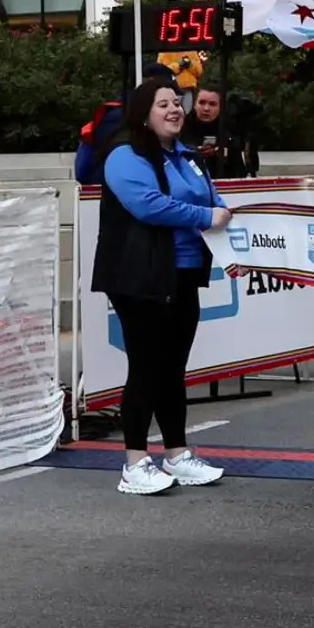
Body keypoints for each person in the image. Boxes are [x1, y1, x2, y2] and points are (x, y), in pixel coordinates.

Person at [90, 77, 234, 495]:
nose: (174, 110)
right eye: (163, 104)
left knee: (173, 369)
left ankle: (177, 453)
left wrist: (221, 222)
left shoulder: (187, 156)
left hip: (184, 273)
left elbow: (215, 200)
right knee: (147, 367)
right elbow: (147, 205)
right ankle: (135, 462)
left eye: (177, 102)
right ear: (143, 113)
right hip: (141, 275)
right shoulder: (125, 154)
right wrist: (205, 216)